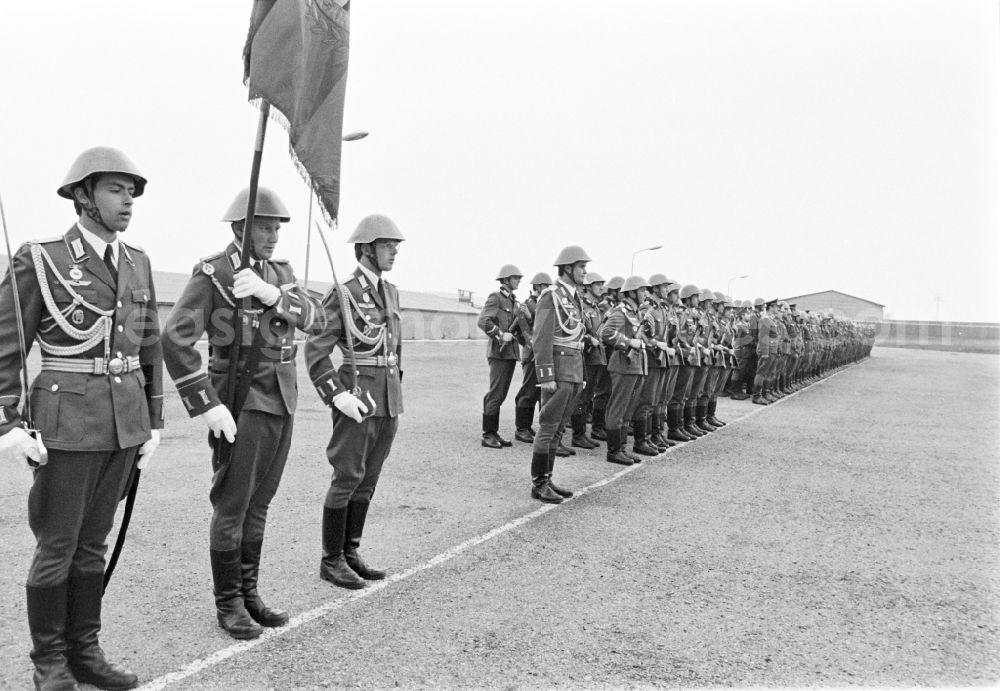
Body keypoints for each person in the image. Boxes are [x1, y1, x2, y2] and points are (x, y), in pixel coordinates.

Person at [0, 147, 162, 690]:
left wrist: (154, 420)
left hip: (123, 423)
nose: (129, 202)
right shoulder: (40, 258)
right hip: (66, 422)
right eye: (117, 190)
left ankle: (85, 650)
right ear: (84, 196)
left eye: (132, 192)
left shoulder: (136, 261)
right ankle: (49, 661)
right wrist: (7, 424)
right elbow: (6, 347)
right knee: (59, 543)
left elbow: (149, 345)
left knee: (95, 541)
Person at [162, 187, 326, 639]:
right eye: (265, 226)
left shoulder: (281, 272)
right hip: (241, 398)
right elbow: (173, 338)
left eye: (277, 228)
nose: (273, 236)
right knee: (233, 504)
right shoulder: (215, 273)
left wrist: (275, 295)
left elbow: (317, 319)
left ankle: (249, 593)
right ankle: (228, 602)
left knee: (261, 502)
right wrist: (206, 403)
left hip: (283, 394)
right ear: (240, 227)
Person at [305, 214, 405, 589]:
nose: (394, 250)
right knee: (347, 476)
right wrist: (338, 394)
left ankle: (350, 551)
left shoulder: (391, 291)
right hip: (357, 394)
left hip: (388, 398)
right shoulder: (343, 293)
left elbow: (396, 345)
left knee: (368, 478)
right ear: (366, 249)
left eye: (395, 245)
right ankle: (330, 560)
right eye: (386, 245)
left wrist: (397, 387)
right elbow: (316, 351)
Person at [529, 245, 591, 503]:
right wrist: (545, 375)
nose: (585, 272)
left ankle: (548, 477)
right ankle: (538, 484)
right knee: (547, 428)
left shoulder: (574, 298)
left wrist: (582, 373)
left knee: (558, 430)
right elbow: (540, 338)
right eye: (581, 267)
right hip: (558, 369)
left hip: (573, 369)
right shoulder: (550, 296)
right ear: (567, 268)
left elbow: (579, 337)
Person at [600, 275, 651, 465]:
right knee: (618, 408)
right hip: (622, 364)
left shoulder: (636, 312)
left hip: (635, 366)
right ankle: (613, 451)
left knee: (628, 410)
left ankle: (621, 448)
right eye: (641, 290)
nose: (645, 293)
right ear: (631, 292)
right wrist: (629, 342)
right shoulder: (621, 311)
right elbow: (606, 333)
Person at [477, 264, 522, 448]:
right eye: (515, 278)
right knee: (495, 394)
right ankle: (487, 434)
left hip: (509, 353)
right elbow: (483, 321)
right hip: (499, 352)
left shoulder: (513, 300)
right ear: (505, 279)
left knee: (501, 394)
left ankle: (493, 432)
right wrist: (500, 334)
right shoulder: (496, 298)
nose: (519, 280)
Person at [511, 272, 552, 444]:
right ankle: (521, 428)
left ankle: (526, 427)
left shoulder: (541, 304)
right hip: (532, 354)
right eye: (545, 286)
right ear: (538, 287)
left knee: (535, 391)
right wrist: (532, 347)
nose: (548, 289)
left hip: (541, 353)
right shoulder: (528, 304)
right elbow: (520, 330)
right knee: (528, 392)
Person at [571, 271, 606, 449]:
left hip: (596, 356)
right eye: (598, 284)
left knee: (588, 396)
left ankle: (582, 433)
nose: (601, 287)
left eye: (601, 284)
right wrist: (588, 339)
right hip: (585, 356)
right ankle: (577, 434)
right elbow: (576, 330)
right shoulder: (582, 306)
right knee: (581, 397)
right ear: (588, 287)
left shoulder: (596, 307)